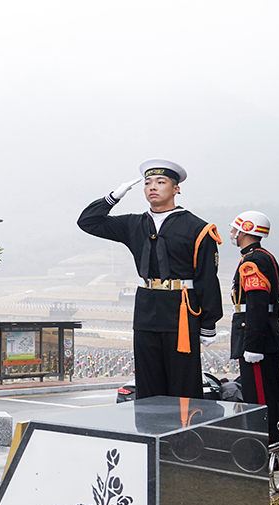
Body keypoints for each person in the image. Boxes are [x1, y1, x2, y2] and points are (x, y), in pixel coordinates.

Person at [78, 159, 222, 399]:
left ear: (176, 188)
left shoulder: (197, 227)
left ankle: (184, 433)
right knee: (147, 379)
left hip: (182, 309)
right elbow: (88, 221)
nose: (152, 187)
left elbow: (207, 278)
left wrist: (209, 323)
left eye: (161, 182)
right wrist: (113, 197)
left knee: (183, 380)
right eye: (148, 183)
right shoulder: (133, 223)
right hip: (146, 306)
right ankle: (152, 433)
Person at [228, 211, 279, 444]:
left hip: (257, 340)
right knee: (274, 394)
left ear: (246, 230)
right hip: (267, 334)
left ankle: (268, 447)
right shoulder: (263, 256)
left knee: (261, 398)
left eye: (235, 229)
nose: (232, 233)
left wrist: (252, 343)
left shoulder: (252, 261)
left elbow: (257, 304)